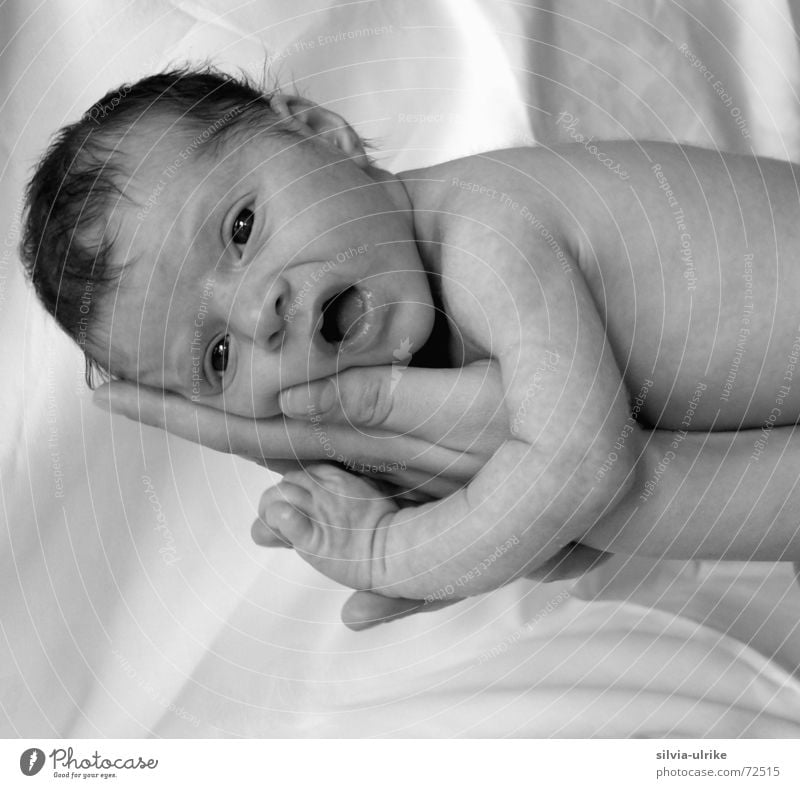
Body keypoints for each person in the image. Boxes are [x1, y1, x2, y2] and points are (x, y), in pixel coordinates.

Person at [21, 69, 800, 621]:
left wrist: (388, 550)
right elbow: (553, 509)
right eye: (217, 358)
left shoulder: (485, 232)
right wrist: (394, 493)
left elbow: (582, 468)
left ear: (323, 133)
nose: (261, 313)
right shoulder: (427, 324)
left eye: (241, 229)